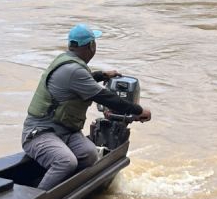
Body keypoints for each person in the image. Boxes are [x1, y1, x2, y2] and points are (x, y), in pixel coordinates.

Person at [22, 24, 151, 190]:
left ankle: (71, 190)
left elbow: (83, 80)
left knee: (90, 155)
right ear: (91, 46)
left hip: (64, 131)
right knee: (66, 162)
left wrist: (103, 75)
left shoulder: (67, 62)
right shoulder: (73, 70)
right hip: (40, 133)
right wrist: (139, 111)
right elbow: (105, 97)